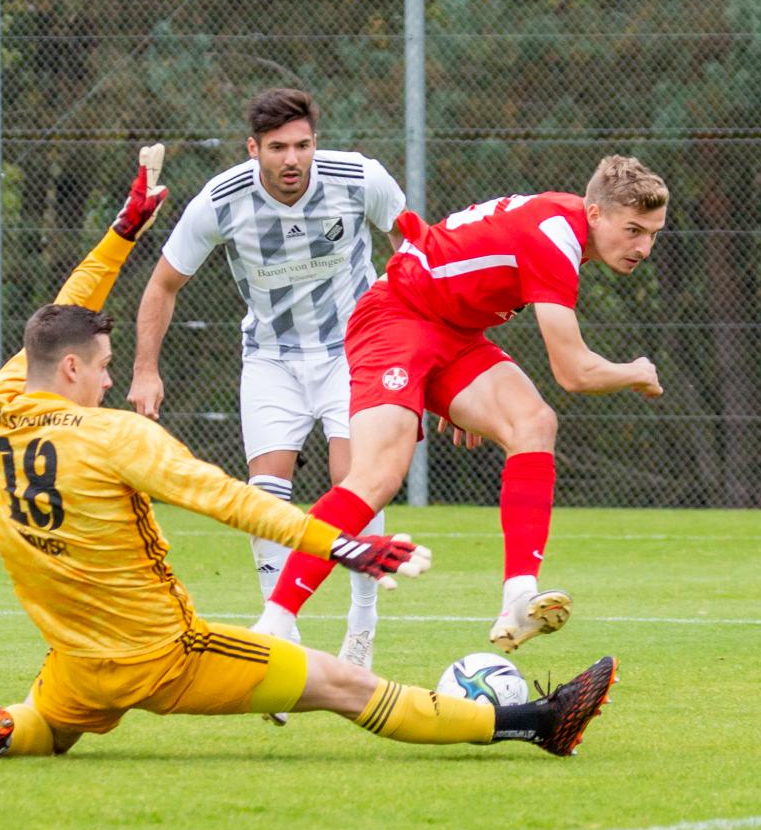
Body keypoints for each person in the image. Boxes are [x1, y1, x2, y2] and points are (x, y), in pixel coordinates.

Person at [0, 147, 618, 765]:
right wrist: (339, 547)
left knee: (53, 726)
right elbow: (232, 500)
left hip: (75, 661)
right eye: (103, 369)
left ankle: (13, 727)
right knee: (345, 687)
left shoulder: (0, 405)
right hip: (164, 658)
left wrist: (125, 233)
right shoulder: (112, 436)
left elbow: (60, 314)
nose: (107, 380)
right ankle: (534, 723)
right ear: (69, 372)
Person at [255, 157, 669, 654]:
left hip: (454, 331)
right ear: (596, 214)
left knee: (533, 424)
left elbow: (461, 266)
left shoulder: (566, 226)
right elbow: (574, 372)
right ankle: (275, 623)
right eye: (634, 230)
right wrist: (636, 372)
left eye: (652, 233)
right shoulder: (557, 234)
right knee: (377, 477)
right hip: (396, 317)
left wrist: (457, 399)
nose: (644, 247)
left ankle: (519, 596)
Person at [127, 89, 405, 672]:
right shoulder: (220, 202)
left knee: (353, 483)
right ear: (253, 149)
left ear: (314, 145)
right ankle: (284, 639)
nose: (292, 160)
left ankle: (362, 627)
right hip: (272, 358)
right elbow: (161, 285)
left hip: (354, 350)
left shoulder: (360, 179)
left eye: (302, 145)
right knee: (265, 496)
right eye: (277, 147)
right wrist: (145, 370)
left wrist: (436, 356)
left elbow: (417, 255)